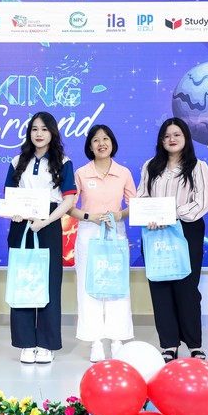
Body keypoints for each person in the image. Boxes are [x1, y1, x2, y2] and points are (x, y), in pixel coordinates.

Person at [138, 118, 208, 362]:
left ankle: (194, 344)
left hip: (187, 230)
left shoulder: (198, 166)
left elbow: (202, 202)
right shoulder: (150, 166)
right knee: (160, 287)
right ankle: (169, 344)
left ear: (186, 138)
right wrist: (151, 215)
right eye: (167, 135)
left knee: (187, 288)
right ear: (161, 140)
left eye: (177, 134)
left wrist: (170, 214)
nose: (172, 139)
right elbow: (142, 196)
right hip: (155, 231)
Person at [5, 112, 77, 364]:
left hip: (48, 224)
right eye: (34, 129)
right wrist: (15, 213)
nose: (39, 133)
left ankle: (46, 343)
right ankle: (26, 342)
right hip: (21, 225)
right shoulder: (17, 161)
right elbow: (10, 194)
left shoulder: (63, 162)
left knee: (48, 283)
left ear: (52, 132)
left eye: (44, 129)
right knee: (22, 280)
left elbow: (68, 200)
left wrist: (45, 221)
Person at [69, 124, 136, 362]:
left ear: (112, 143)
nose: (101, 143)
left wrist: (119, 215)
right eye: (96, 140)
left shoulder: (123, 173)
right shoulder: (81, 173)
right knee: (89, 286)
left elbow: (134, 205)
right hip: (89, 232)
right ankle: (95, 341)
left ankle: (117, 340)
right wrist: (90, 216)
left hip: (115, 231)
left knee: (117, 285)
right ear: (90, 146)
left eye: (105, 139)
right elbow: (69, 207)